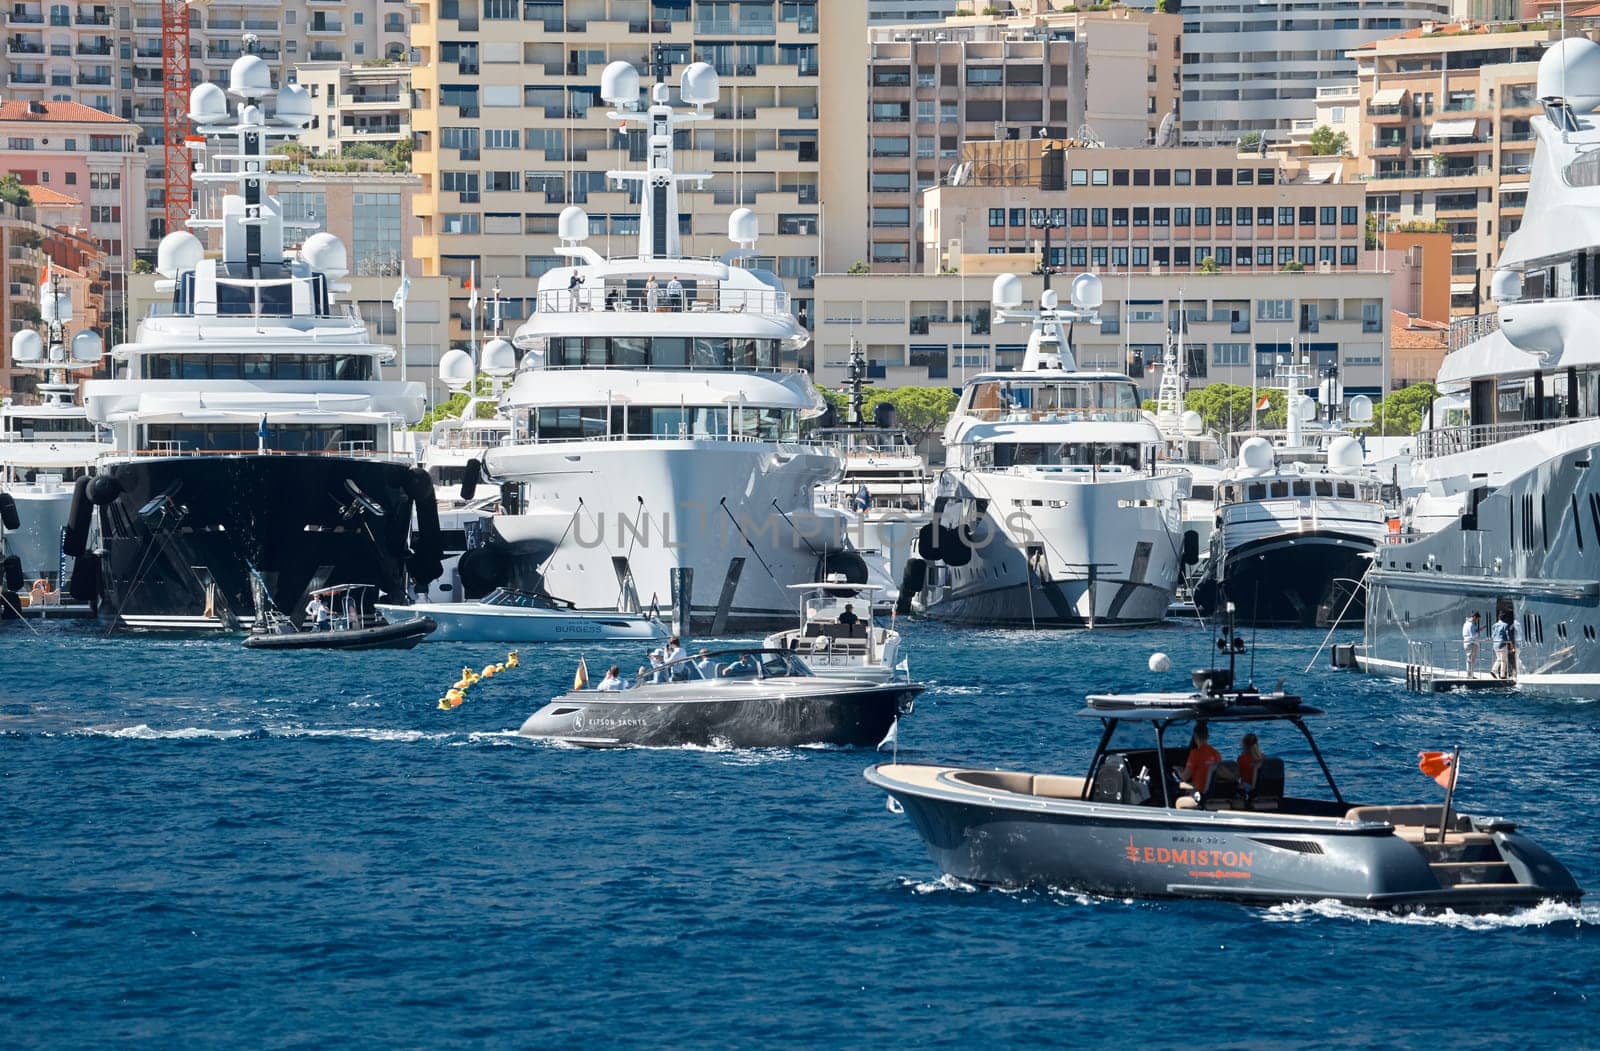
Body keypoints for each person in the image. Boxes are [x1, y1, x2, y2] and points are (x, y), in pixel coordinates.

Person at [1174, 722, 1222, 792]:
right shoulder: (1216, 753)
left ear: (1195, 737)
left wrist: (1178, 770)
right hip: (1211, 790)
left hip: (1197, 790)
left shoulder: (1195, 753)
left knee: (1175, 784)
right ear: (1208, 736)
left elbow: (1184, 777)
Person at [1492, 610, 1517, 679]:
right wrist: (1512, 646)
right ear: (1504, 619)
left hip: (1495, 644)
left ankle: (1493, 670)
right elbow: (1508, 636)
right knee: (1504, 660)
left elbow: (1493, 636)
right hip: (1502, 644)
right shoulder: (1505, 625)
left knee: (1499, 658)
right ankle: (1502, 675)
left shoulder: (1494, 625)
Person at [1462, 611, 1482, 677]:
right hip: (1472, 643)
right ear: (1474, 617)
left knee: (1468, 659)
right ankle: (1470, 675)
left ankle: (1469, 674)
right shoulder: (1471, 624)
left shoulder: (1466, 624)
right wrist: (1478, 631)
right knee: (1472, 660)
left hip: (1466, 643)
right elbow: (1473, 635)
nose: (1477, 620)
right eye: (1477, 619)